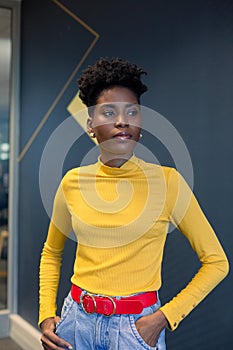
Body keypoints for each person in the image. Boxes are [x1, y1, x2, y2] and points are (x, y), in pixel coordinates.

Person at [39, 58, 229, 350]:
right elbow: (52, 253)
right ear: (90, 124)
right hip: (75, 323)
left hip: (135, 330)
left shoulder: (168, 182)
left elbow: (217, 262)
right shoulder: (71, 182)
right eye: (108, 112)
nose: (122, 121)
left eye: (132, 112)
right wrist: (46, 316)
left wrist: (163, 318)